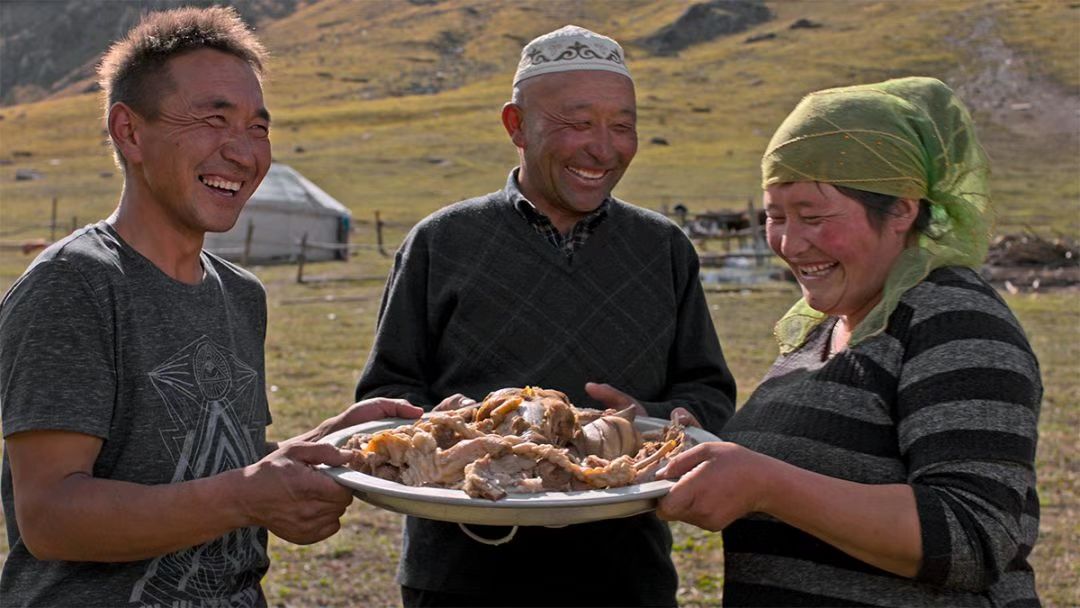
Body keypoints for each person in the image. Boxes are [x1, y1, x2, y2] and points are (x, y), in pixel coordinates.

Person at [0, 8, 420, 606]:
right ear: (130, 132)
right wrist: (249, 496)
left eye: (257, 128)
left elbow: (206, 465)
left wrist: (330, 443)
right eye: (212, 119)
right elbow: (50, 517)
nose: (243, 152)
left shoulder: (240, 294)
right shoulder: (74, 285)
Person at [355, 24, 736, 608]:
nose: (603, 148)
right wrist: (466, 435)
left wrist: (644, 422)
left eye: (622, 125)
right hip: (461, 572)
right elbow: (389, 390)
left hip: (623, 571)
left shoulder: (662, 248)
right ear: (516, 126)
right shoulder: (442, 241)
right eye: (578, 123)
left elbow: (706, 392)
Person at [657, 77, 1042, 606]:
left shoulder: (954, 319)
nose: (790, 244)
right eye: (775, 217)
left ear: (902, 210)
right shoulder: (824, 328)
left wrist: (767, 485)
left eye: (814, 217)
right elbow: (801, 460)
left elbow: (973, 537)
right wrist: (665, 443)